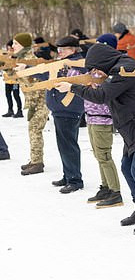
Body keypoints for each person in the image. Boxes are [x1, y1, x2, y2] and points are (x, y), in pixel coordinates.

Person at [55, 43, 135, 235]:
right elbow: (109, 92)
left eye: (95, 68)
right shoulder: (118, 69)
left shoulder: (125, 69)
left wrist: (73, 87)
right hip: (134, 127)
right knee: (127, 167)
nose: (96, 72)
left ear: (102, 62)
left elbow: (103, 96)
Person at [84, 34, 123, 208]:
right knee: (98, 155)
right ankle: (106, 186)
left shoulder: (110, 70)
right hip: (91, 117)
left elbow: (108, 93)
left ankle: (115, 191)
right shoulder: (95, 68)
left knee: (105, 155)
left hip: (103, 119)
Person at [45, 36, 86, 193]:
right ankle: (68, 175)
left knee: (68, 145)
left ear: (74, 50)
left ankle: (75, 180)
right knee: (64, 145)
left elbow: (74, 78)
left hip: (69, 110)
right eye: (59, 49)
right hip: (60, 110)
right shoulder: (62, 64)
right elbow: (49, 77)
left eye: (64, 49)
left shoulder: (78, 65)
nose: (60, 52)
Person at [11, 33, 49, 176]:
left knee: (35, 130)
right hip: (34, 101)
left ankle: (37, 163)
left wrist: (33, 105)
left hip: (40, 101)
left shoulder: (30, 60)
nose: (12, 46)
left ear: (23, 45)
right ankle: (35, 160)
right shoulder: (22, 59)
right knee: (33, 130)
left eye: (16, 43)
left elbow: (38, 83)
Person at [3, 40, 23, 118]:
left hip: (15, 80)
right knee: (8, 95)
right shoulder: (6, 56)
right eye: (8, 48)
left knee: (16, 95)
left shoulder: (17, 56)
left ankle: (19, 111)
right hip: (8, 80)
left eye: (10, 48)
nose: (9, 50)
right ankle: (10, 110)